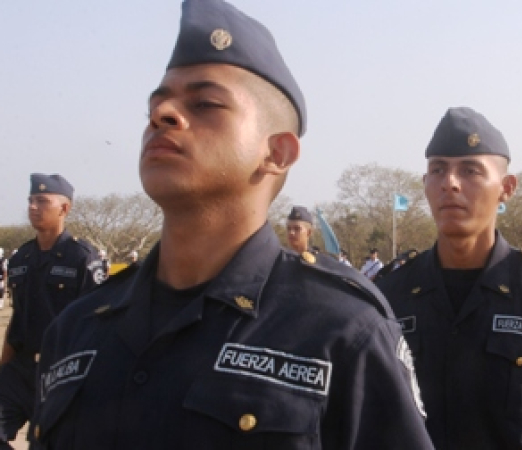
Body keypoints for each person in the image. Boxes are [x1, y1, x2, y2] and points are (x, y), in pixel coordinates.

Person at [30, 2, 433, 449]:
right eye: (158, 104)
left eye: (205, 103)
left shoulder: (343, 331)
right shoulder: (76, 329)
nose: (162, 114)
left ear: (277, 153)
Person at [377, 107, 522, 449]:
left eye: (470, 170)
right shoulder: (389, 294)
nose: (450, 183)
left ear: (506, 188)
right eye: (438, 170)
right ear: (425, 184)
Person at [0, 173, 103, 448]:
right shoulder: (21, 258)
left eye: (42, 201)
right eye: (30, 200)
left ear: (64, 209)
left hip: (61, 371)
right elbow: (17, 319)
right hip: (19, 371)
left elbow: (98, 323)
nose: (33, 206)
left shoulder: (82, 257)